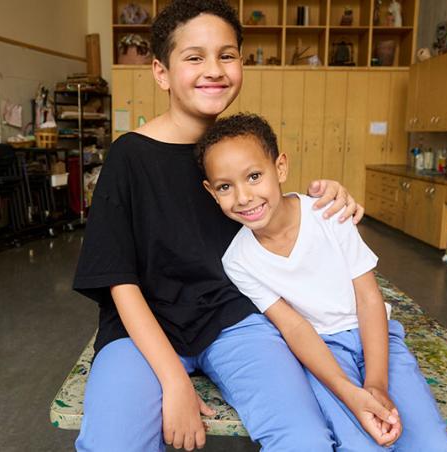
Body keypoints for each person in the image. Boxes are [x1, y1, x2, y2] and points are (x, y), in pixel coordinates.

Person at [72, 1, 364, 451]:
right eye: (194, 57)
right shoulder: (129, 157)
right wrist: (174, 380)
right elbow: (117, 279)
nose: (214, 69)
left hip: (235, 320)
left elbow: (281, 213)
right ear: (161, 72)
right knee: (112, 444)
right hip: (142, 328)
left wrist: (330, 198)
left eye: (227, 55)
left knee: (305, 438)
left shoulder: (239, 151)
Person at [197, 113, 447, 452]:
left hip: (378, 338)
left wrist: (376, 381)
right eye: (225, 187)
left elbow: (368, 298)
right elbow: (295, 328)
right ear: (211, 192)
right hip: (323, 356)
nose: (243, 197)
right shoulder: (238, 260)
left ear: (281, 168)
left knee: (431, 445)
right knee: (362, 446)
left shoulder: (329, 212)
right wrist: (349, 391)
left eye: (255, 176)